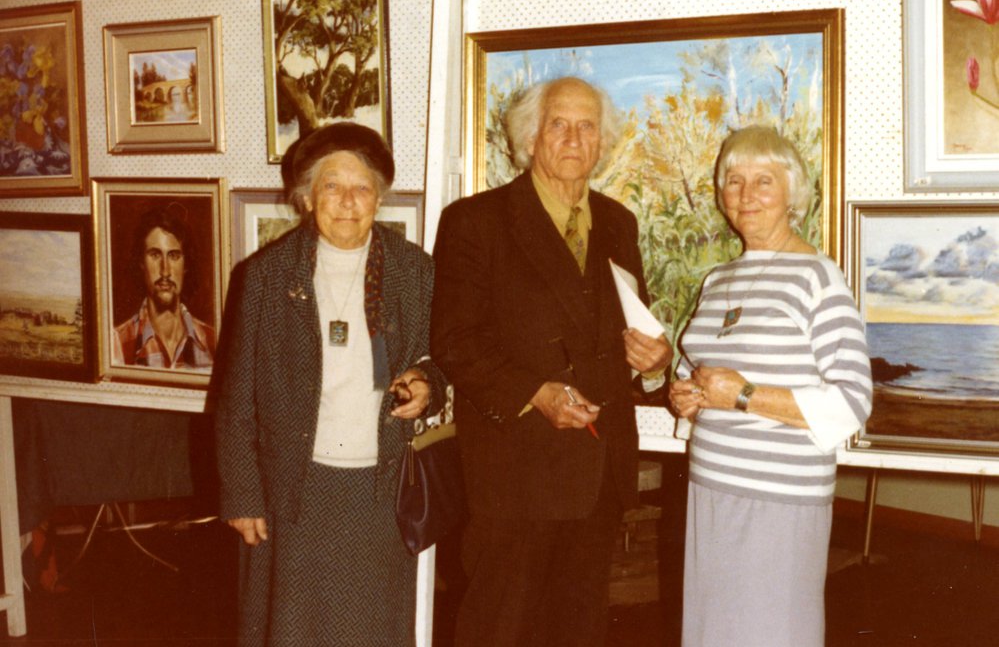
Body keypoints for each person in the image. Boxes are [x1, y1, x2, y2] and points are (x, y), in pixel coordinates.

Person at [430, 76, 672, 647]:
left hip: (598, 473)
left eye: (587, 126)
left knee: (578, 630)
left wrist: (656, 361)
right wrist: (536, 393)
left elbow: (633, 330)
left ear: (602, 141)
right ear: (530, 137)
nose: (573, 137)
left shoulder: (618, 223)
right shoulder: (476, 222)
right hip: (517, 475)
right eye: (558, 124)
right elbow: (455, 341)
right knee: (500, 628)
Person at [213, 122, 447, 647]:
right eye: (332, 186)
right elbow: (236, 400)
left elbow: (444, 361)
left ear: (379, 198)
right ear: (306, 197)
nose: (347, 201)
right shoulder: (266, 276)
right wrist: (243, 495)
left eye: (361, 187)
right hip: (293, 491)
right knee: (292, 630)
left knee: (373, 631)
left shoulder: (414, 272)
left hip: (380, 488)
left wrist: (428, 382)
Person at [669, 125, 872, 647]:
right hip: (710, 487)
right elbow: (698, 373)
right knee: (712, 634)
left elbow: (852, 401)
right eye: (733, 181)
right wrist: (687, 396)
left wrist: (741, 396)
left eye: (764, 180)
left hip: (779, 499)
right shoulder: (718, 280)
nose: (746, 194)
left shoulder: (817, 277)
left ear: (793, 193)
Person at [111, 203, 215, 369]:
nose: (165, 271)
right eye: (155, 255)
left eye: (174, 256)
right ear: (141, 263)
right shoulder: (118, 342)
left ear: (186, 264)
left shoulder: (213, 340)